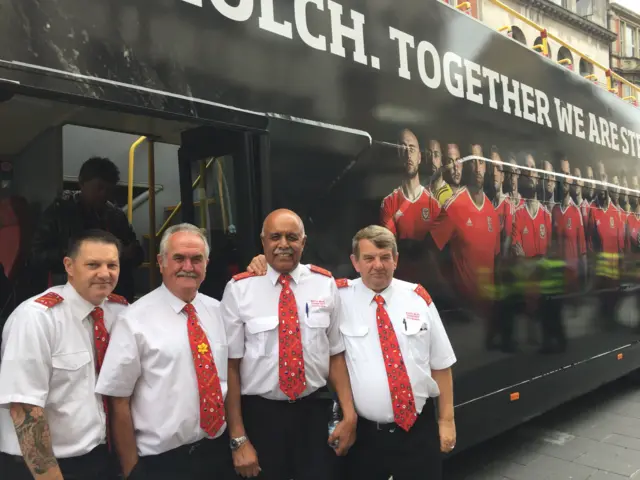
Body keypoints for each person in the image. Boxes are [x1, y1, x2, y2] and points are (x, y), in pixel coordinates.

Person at [246, 225, 456, 480]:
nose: (377, 265)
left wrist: (446, 421)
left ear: (396, 260)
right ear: (355, 262)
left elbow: (441, 364)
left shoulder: (419, 298)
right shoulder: (337, 295)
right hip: (365, 435)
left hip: (418, 432)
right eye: (368, 258)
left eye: (385, 257)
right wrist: (263, 263)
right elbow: (294, 281)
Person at [220, 208, 357, 480]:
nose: (284, 244)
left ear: (303, 243)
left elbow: (335, 355)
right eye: (275, 237)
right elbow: (230, 368)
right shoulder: (239, 290)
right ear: (263, 242)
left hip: (314, 414)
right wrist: (238, 437)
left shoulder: (324, 284)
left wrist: (349, 415)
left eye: (292, 237)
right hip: (261, 418)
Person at [95, 223, 234, 480]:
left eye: (196, 259)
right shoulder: (133, 320)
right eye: (179, 258)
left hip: (216, 452)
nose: (188, 267)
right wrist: (131, 469)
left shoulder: (219, 311)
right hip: (162, 463)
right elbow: (119, 400)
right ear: (160, 262)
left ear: (207, 263)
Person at [0, 229, 128, 480]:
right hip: (43, 466)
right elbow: (24, 407)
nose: (105, 273)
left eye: (112, 264)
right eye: (93, 264)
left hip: (101, 457)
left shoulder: (120, 312)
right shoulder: (36, 318)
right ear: (69, 266)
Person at [30, 156, 144, 302]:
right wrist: (77, 254)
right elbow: (37, 256)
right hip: (70, 294)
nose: (104, 194)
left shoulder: (116, 216)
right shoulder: (59, 213)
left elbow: (138, 254)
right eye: (99, 188)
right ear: (82, 183)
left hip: (114, 295)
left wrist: (130, 254)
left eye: (109, 190)